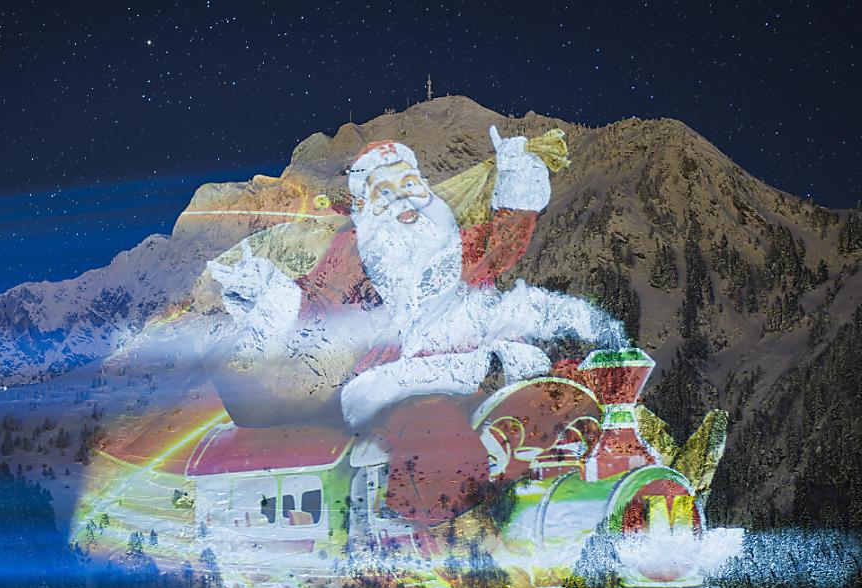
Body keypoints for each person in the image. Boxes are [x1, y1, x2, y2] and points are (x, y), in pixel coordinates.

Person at [206, 126, 625, 520]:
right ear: (365, 206)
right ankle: (449, 520)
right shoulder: (351, 253)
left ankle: (561, 479)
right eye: (385, 192)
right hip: (402, 377)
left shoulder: (449, 242)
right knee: (434, 437)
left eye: (409, 185)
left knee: (557, 397)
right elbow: (317, 301)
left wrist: (517, 174)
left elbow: (502, 242)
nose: (403, 200)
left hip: (480, 357)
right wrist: (266, 293)